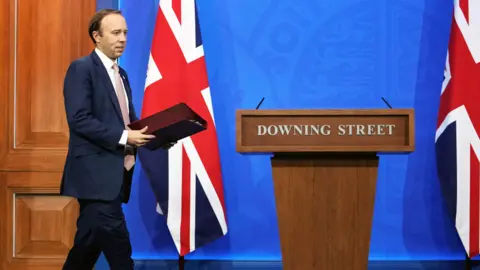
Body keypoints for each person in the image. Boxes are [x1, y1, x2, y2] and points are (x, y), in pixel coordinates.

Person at [60, 9, 155, 269]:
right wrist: (126, 136)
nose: (122, 38)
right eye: (115, 33)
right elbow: (79, 120)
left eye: (125, 32)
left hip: (114, 174)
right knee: (118, 245)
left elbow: (128, 122)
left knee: (87, 244)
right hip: (94, 174)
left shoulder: (121, 74)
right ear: (96, 36)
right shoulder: (82, 69)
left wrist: (157, 136)